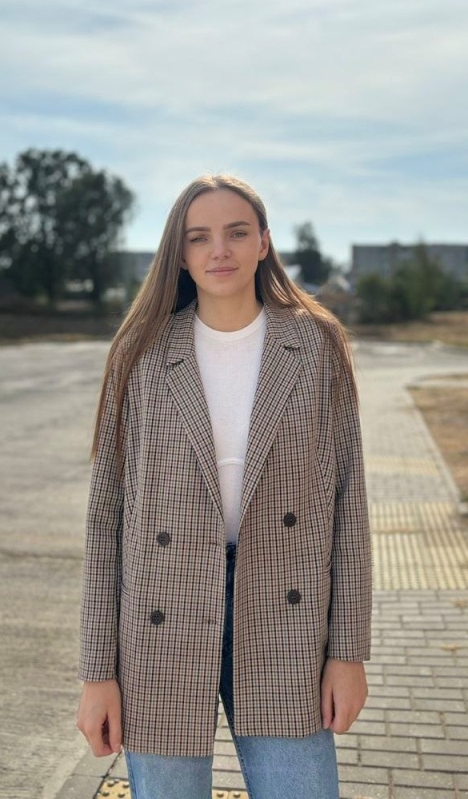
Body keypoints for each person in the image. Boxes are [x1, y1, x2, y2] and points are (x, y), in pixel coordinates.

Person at [76, 174, 372, 799]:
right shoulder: (140, 351)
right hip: (161, 615)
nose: (219, 251)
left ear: (263, 242)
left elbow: (350, 507)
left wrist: (348, 653)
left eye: (237, 233)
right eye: (199, 237)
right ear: (179, 254)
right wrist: (97, 672)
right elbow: (105, 522)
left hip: (285, 613)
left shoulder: (316, 344)